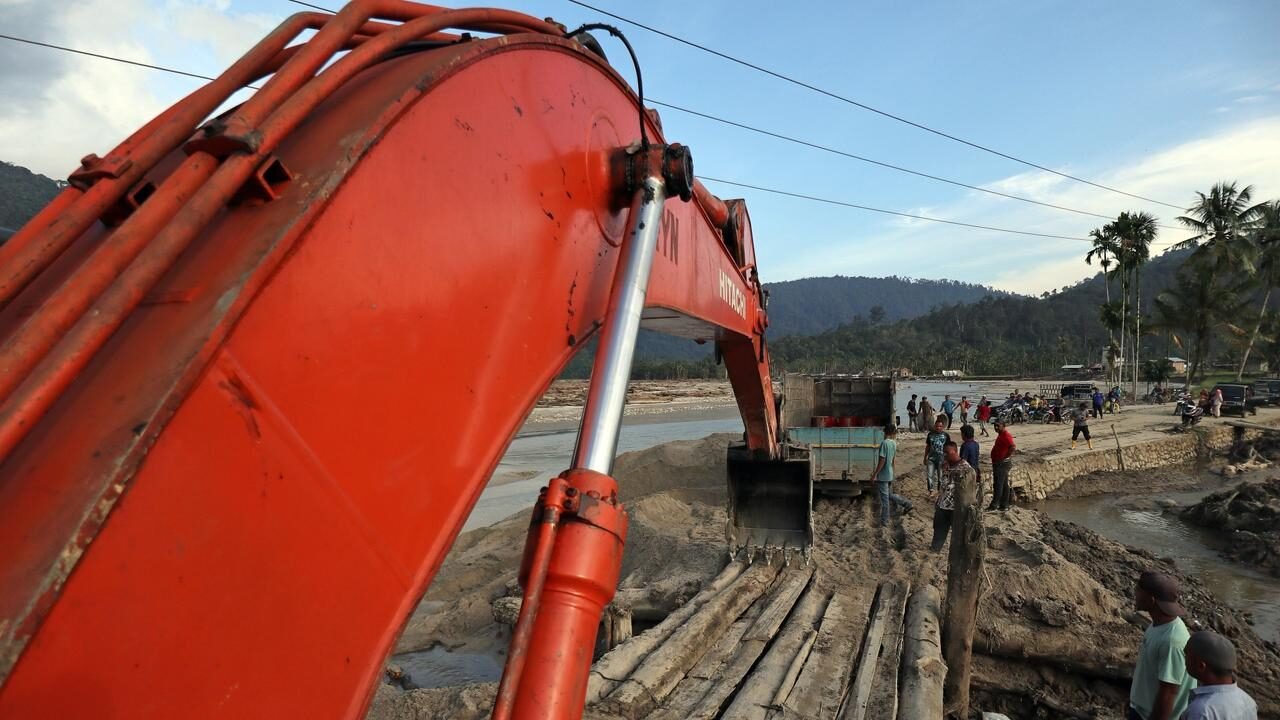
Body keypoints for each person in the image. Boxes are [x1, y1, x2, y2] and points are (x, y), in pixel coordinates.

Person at [1128, 570, 1197, 720]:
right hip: (1140, 709)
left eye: (1139, 590)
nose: (1135, 593)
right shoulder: (1158, 624)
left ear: (1152, 600)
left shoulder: (1172, 641)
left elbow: (1169, 692)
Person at [1183, 631, 1258, 720]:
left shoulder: (1201, 711)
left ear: (1201, 666)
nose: (1185, 660)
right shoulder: (1248, 701)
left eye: (1186, 656)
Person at [930, 441, 975, 552]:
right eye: (943, 452)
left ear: (955, 451)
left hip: (957, 509)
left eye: (947, 452)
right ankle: (935, 550)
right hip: (942, 506)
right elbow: (943, 486)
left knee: (958, 537)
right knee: (939, 532)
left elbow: (969, 491)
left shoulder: (966, 469)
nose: (944, 455)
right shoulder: (945, 466)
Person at [870, 424, 912, 526]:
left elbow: (882, 460)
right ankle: (906, 503)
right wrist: (893, 471)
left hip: (883, 475)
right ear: (893, 433)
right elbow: (893, 459)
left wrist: (875, 474)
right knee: (888, 495)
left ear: (885, 432)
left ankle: (884, 521)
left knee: (885, 500)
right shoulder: (893, 443)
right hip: (889, 473)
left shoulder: (884, 443)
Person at [989, 418, 1015, 511]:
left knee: (998, 484)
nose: (996, 427)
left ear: (1003, 426)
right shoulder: (1001, 435)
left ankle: (995, 504)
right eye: (995, 426)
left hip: (1002, 463)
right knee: (1004, 484)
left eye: (998, 426)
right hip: (999, 462)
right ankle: (1004, 504)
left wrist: (1005, 456)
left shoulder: (1006, 436)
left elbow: (1012, 447)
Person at [924, 416, 950, 493]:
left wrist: (947, 460)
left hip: (941, 459)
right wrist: (925, 457)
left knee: (940, 477)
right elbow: (928, 446)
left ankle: (939, 492)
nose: (938, 428)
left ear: (942, 427)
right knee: (929, 476)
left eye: (940, 426)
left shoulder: (946, 436)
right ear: (934, 426)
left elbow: (948, 448)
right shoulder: (930, 435)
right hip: (931, 458)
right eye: (937, 426)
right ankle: (931, 491)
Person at [960, 423, 983, 504]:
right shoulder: (976, 444)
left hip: (968, 472)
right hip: (975, 469)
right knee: (973, 489)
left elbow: (963, 461)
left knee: (966, 491)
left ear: (964, 435)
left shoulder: (965, 445)